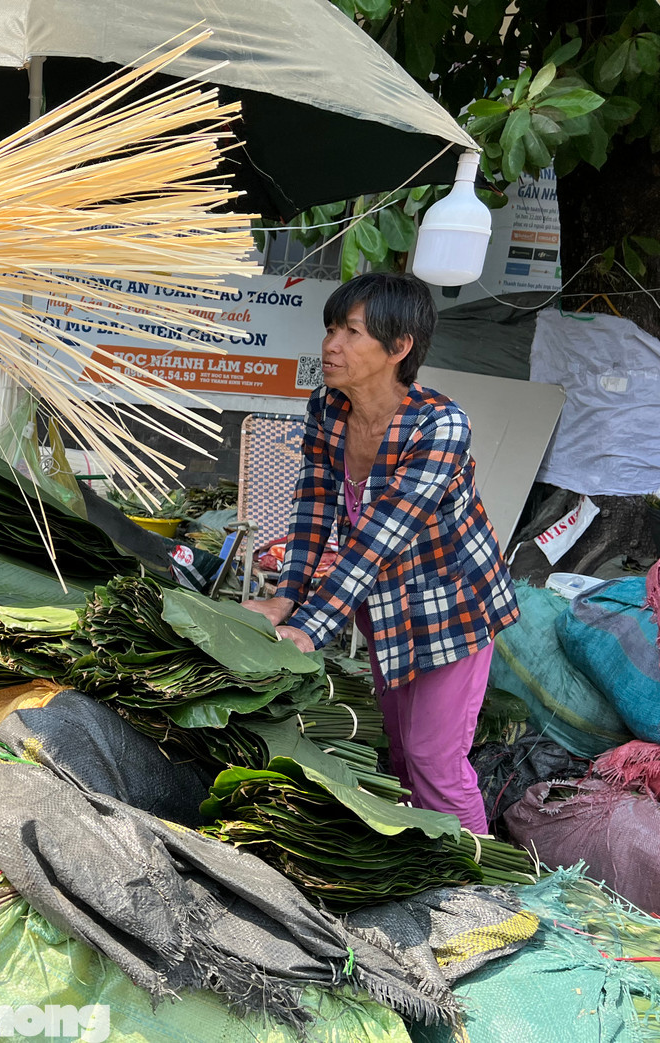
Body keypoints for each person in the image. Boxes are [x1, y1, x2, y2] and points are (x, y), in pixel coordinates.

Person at [242, 272, 517, 833]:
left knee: (435, 760)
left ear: (399, 347)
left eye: (352, 332)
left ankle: (480, 870)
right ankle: (422, 857)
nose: (332, 345)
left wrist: (310, 626)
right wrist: (285, 597)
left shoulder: (440, 425)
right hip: (385, 607)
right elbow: (314, 505)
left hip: (454, 610)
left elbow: (380, 538)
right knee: (400, 750)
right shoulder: (329, 406)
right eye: (331, 329)